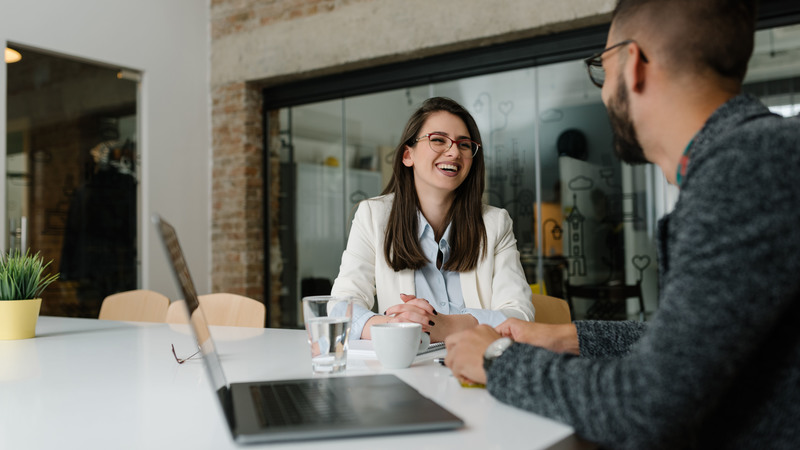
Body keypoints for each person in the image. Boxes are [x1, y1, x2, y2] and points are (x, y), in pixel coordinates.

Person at [444, 0, 800, 448]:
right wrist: (569, 337)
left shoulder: (744, 170)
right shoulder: (755, 157)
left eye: (601, 69)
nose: (602, 90)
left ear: (632, 65)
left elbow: (646, 405)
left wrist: (497, 358)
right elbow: (688, 348)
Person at [331, 97, 534, 343]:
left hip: (478, 368)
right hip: (407, 368)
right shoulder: (373, 216)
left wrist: (448, 326)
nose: (454, 151)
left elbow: (520, 315)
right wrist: (398, 325)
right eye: (438, 140)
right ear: (408, 155)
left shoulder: (496, 224)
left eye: (465, 144)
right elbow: (341, 307)